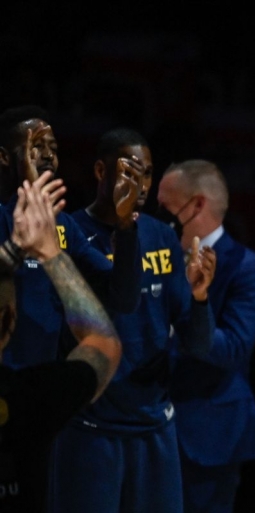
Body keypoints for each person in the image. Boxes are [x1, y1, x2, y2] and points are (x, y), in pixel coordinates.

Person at [47, 128, 216, 513]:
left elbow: (197, 343)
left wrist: (201, 298)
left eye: (146, 173)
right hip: (90, 429)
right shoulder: (68, 234)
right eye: (128, 171)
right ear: (99, 171)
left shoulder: (161, 236)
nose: (138, 183)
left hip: (153, 427)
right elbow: (121, 301)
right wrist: (125, 230)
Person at [0, 171, 122, 513]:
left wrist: (9, 252)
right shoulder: (34, 397)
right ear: (9, 322)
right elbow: (103, 341)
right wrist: (49, 252)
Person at [156, 159, 255, 513]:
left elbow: (232, 349)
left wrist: (192, 311)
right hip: (147, 424)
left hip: (209, 432)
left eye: (165, 206)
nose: (157, 216)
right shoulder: (155, 256)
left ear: (197, 205)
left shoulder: (246, 268)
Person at [0, 105, 141, 369]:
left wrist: (125, 228)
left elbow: (123, 299)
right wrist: (31, 205)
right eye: (36, 146)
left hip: (38, 386)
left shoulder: (64, 225)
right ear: (4, 157)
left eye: (53, 149)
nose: (48, 156)